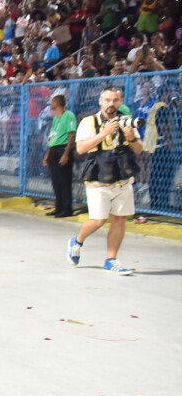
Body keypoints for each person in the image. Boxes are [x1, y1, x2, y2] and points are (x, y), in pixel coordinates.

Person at [67, 87, 144, 275]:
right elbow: (81, 149)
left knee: (119, 219)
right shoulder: (89, 122)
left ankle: (111, 259)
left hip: (122, 179)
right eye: (108, 100)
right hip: (98, 180)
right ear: (101, 101)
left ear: (121, 102)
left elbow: (139, 149)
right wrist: (104, 132)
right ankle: (77, 241)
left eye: (116, 100)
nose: (112, 104)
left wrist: (131, 137)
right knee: (98, 220)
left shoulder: (126, 121)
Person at [43, 93, 78, 217]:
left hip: (63, 149)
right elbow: (52, 137)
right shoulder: (56, 118)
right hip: (54, 149)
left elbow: (71, 136)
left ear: (58, 102)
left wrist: (66, 154)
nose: (51, 104)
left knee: (64, 180)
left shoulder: (69, 116)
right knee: (56, 181)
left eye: (52, 101)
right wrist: (48, 154)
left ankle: (67, 209)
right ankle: (58, 207)